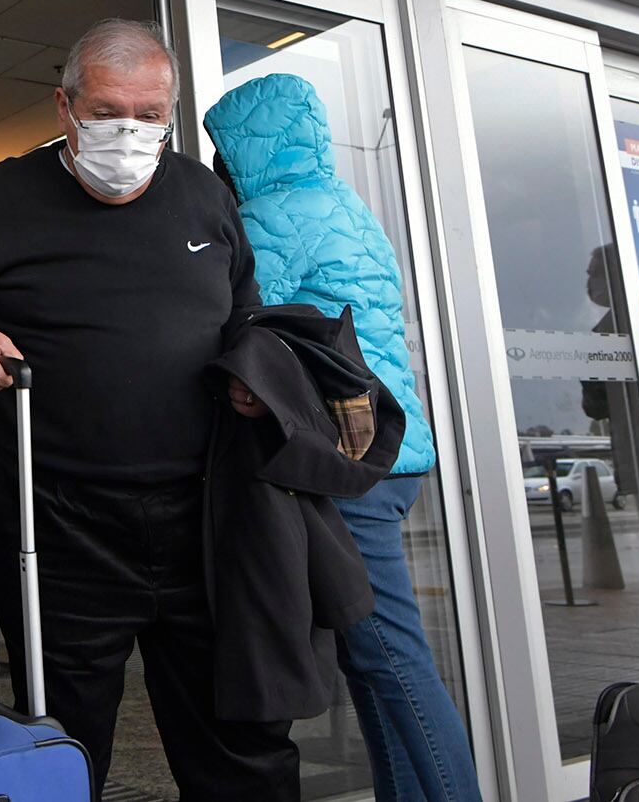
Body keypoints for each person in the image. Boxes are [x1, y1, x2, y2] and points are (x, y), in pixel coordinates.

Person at [0, 19, 297, 802]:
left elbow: (243, 310)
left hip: (202, 516)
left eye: (150, 114)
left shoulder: (204, 195)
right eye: (106, 112)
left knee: (240, 740)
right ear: (64, 107)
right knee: (59, 744)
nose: (129, 132)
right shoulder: (4, 198)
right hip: (58, 523)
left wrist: (252, 370)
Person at [205, 73, 483, 802]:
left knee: (392, 660)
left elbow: (238, 321)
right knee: (373, 661)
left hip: (348, 467)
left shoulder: (271, 215)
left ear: (243, 149)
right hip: (393, 454)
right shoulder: (347, 207)